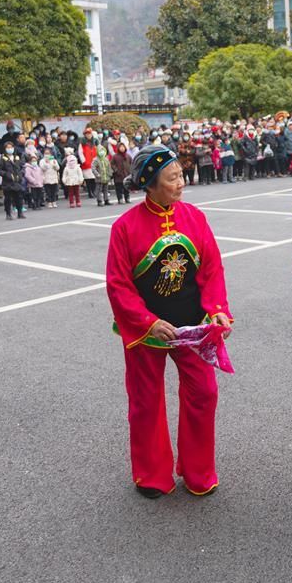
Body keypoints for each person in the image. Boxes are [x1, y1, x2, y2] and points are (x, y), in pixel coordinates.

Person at [105, 144, 233, 499]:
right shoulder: (125, 228)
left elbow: (211, 269)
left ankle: (198, 470)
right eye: (173, 177)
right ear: (150, 182)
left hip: (192, 326)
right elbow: (118, 285)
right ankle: (152, 474)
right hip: (147, 330)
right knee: (146, 401)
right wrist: (147, 321)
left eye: (180, 175)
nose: (181, 183)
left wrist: (218, 307)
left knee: (204, 393)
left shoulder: (194, 217)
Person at [0, 143, 26, 219]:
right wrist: (6, 174)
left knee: (19, 198)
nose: (10, 149)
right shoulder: (3, 159)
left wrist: (21, 174)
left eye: (11, 147)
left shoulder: (17, 157)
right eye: (8, 147)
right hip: (8, 182)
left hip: (17, 181)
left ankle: (20, 213)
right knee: (8, 199)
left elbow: (22, 167)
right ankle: (8, 214)